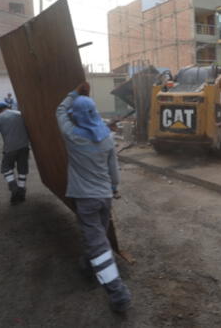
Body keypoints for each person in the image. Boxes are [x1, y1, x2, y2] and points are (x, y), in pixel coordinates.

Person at [56, 81, 131, 313]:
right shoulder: (107, 137)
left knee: (97, 242)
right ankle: (88, 267)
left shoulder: (72, 136)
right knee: (96, 234)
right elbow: (114, 170)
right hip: (104, 197)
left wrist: (74, 92)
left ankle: (119, 294)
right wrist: (114, 187)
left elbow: (59, 111)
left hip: (86, 199)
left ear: (76, 116)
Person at [0, 102, 30, 204]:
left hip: (10, 149)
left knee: (6, 168)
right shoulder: (20, 114)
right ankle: (21, 192)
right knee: (22, 170)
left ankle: (14, 188)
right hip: (24, 147)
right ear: (8, 107)